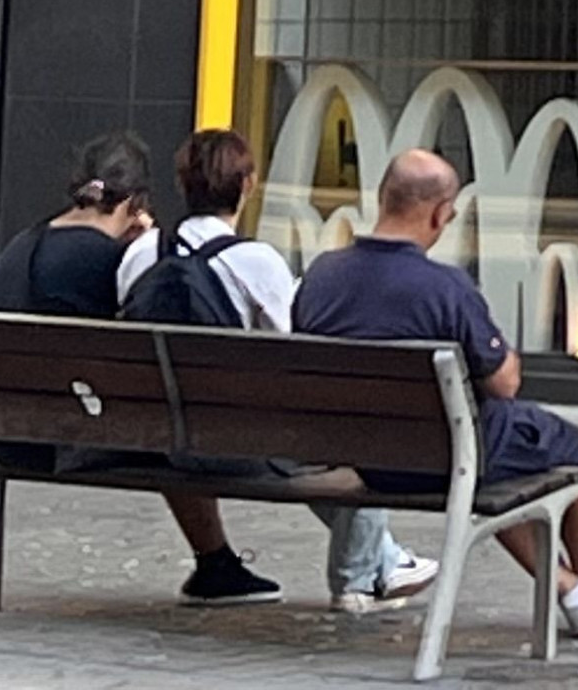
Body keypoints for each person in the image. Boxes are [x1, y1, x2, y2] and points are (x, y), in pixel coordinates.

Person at [294, 148, 578, 638]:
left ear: (382, 199)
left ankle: (575, 590)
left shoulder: (322, 275)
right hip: (448, 452)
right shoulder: (445, 287)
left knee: (492, 470)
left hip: (357, 456)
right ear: (441, 213)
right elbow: (503, 383)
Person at [121, 129, 439, 615]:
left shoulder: (141, 253)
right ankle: (362, 576)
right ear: (247, 185)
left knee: (306, 434)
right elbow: (300, 349)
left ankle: (387, 559)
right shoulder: (255, 260)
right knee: (352, 423)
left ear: (184, 184)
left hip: (157, 435)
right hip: (235, 442)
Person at [0, 130, 279, 604]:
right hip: (55, 440)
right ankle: (215, 564)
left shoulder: (26, 239)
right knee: (171, 413)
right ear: (136, 202)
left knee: (156, 411)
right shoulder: (110, 259)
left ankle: (216, 562)